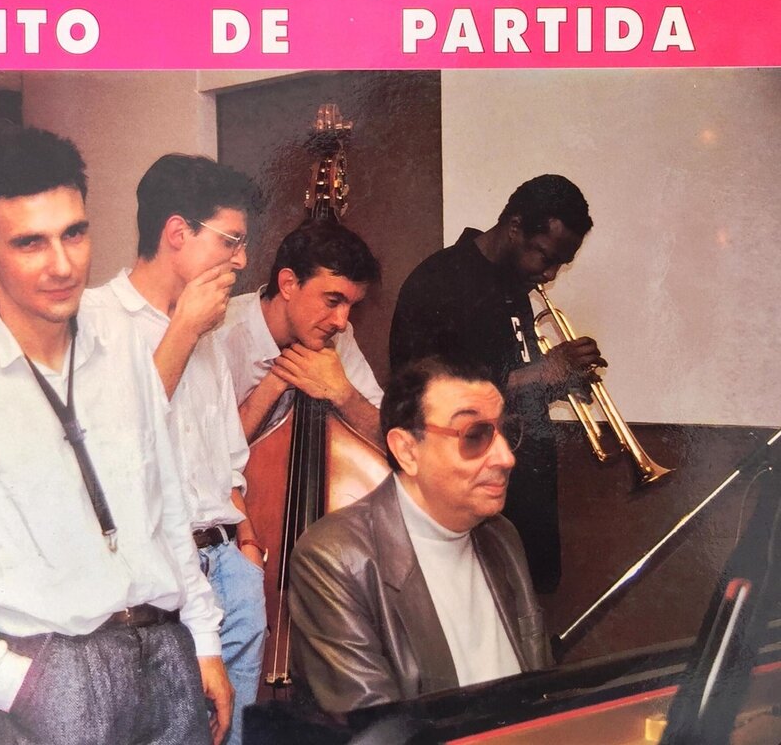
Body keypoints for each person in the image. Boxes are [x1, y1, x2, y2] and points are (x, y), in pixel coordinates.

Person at [0, 128, 232, 745]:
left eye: (74, 233)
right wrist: (23, 684)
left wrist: (202, 640)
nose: (62, 265)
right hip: (51, 671)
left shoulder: (126, 348)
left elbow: (168, 511)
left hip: (168, 654)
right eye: (30, 242)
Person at [85, 153, 266, 745]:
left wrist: (247, 551)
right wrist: (182, 330)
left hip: (231, 567)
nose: (241, 260)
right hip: (160, 586)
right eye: (231, 241)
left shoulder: (209, 327)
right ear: (177, 232)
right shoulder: (93, 321)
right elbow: (113, 449)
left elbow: (228, 458)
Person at [288, 358, 551, 717]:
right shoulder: (334, 558)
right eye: (474, 435)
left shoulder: (502, 536)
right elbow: (378, 729)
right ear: (407, 451)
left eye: (505, 431)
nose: (505, 458)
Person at [388, 174, 604, 593]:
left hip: (525, 495)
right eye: (545, 257)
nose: (550, 274)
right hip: (470, 502)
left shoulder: (514, 285)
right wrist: (543, 372)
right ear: (515, 227)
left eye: (561, 264)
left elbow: (508, 383)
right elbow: (423, 397)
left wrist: (560, 381)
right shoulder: (438, 282)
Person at [218, 220, 384, 448]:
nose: (341, 323)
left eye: (351, 306)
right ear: (288, 284)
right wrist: (276, 381)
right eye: (332, 301)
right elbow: (205, 459)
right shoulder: (218, 335)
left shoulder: (336, 336)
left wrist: (346, 396)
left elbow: (396, 443)